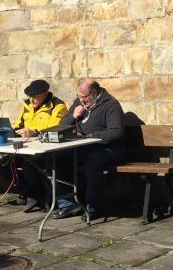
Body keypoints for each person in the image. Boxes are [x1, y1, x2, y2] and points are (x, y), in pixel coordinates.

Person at [51, 77, 125, 220]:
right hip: (83, 147)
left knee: (92, 161)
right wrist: (73, 116)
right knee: (57, 158)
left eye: (84, 97)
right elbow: (62, 125)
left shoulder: (111, 105)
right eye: (79, 97)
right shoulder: (79, 102)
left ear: (94, 93)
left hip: (108, 149)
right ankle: (68, 204)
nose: (82, 100)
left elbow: (116, 132)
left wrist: (89, 136)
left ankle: (93, 206)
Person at [2, 80, 67, 211]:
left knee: (29, 165)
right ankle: (28, 192)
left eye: (35, 96)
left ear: (45, 94)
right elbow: (18, 125)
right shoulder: (27, 105)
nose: (31, 99)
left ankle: (36, 196)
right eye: (29, 96)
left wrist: (34, 133)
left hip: (46, 149)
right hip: (26, 148)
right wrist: (9, 132)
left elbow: (55, 129)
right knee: (3, 164)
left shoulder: (57, 106)